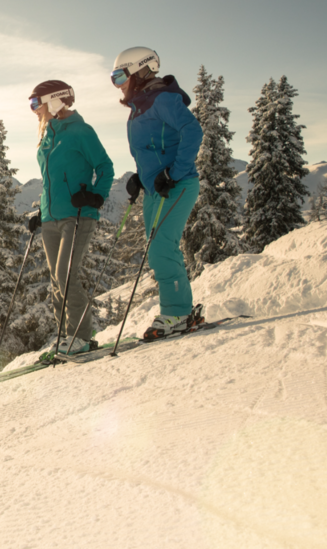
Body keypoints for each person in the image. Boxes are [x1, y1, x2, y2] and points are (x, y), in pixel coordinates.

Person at [110, 47, 204, 339]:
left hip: (176, 185)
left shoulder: (162, 99)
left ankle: (177, 313)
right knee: (157, 250)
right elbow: (155, 147)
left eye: (120, 76)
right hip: (156, 189)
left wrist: (173, 172)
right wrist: (142, 176)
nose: (117, 84)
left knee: (162, 247)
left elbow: (193, 131)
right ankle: (179, 310)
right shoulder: (140, 106)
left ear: (140, 71)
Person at [26, 80, 114, 354]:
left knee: (65, 276)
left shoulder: (81, 132)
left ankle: (81, 337)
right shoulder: (48, 135)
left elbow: (105, 166)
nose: (34, 110)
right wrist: (42, 211)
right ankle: (66, 337)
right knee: (56, 280)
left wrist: (95, 196)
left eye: (36, 103)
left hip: (78, 215)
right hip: (51, 219)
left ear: (54, 101)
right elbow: (51, 180)